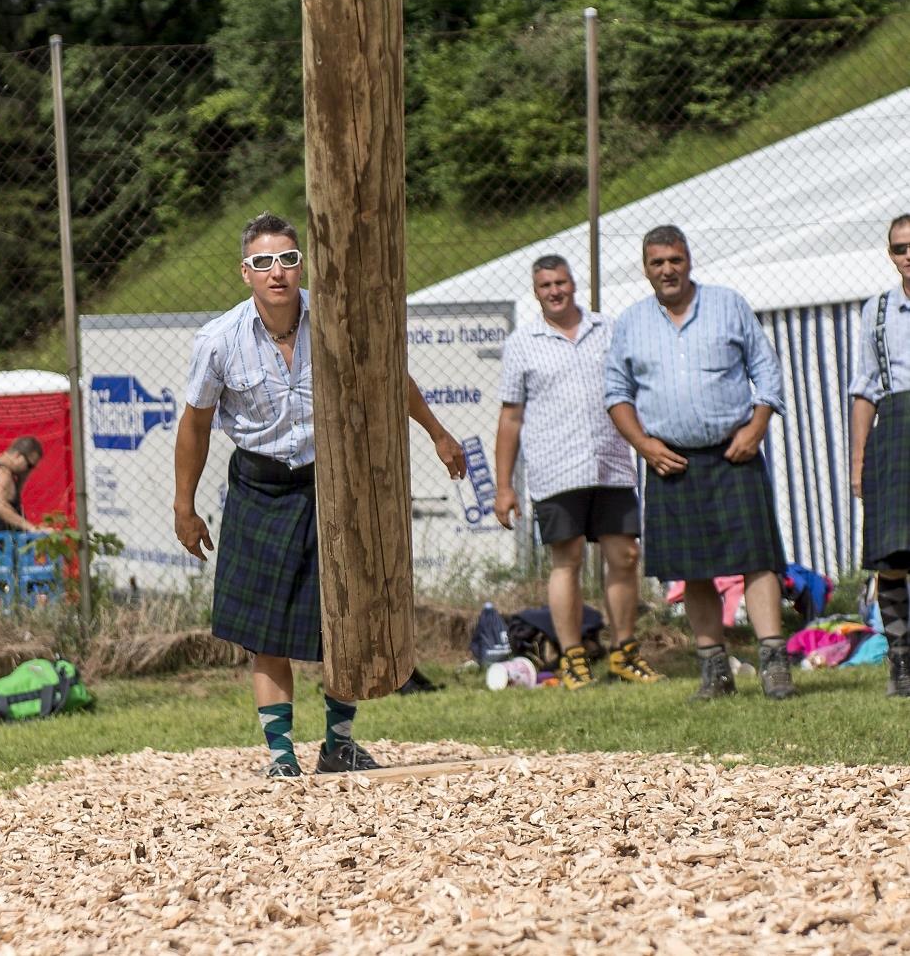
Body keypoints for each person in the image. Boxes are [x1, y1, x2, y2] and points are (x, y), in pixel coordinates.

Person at [172, 210, 467, 777]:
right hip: (259, 485)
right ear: (245, 273)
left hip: (329, 484)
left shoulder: (336, 319)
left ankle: (338, 744)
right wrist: (184, 507)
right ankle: (281, 758)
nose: (277, 272)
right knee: (265, 630)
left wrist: (437, 432)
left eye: (287, 258)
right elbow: (195, 425)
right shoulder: (218, 341)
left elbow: (390, 376)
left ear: (301, 264)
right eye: (263, 262)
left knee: (343, 616)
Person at [604, 225, 794, 701]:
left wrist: (756, 428)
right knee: (694, 569)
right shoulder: (630, 323)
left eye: (675, 259)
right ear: (645, 268)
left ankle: (774, 667)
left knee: (758, 559)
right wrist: (644, 444)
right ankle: (714, 672)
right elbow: (616, 394)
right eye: (657, 262)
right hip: (671, 461)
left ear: (688, 261)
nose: (667, 269)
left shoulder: (728, 304)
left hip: (735, 452)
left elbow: (767, 371)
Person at [494, 254, 660, 689]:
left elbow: (635, 389)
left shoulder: (608, 330)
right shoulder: (522, 342)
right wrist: (503, 485)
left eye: (561, 283)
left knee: (624, 557)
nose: (555, 291)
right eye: (546, 285)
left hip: (611, 464)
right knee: (566, 561)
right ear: (536, 291)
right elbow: (510, 417)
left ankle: (624, 651)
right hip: (556, 468)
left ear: (573, 284)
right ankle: (572, 658)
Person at [850, 213, 910, 697]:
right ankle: (902, 662)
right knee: (892, 554)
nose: (907, 254)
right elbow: (864, 390)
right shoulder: (877, 311)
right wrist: (857, 461)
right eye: (898, 248)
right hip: (894, 430)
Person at [0, 437, 43, 533]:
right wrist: (31, 527)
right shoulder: (2, 473)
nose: (29, 471)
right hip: (4, 541)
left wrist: (21, 480)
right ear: (18, 456)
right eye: (29, 465)